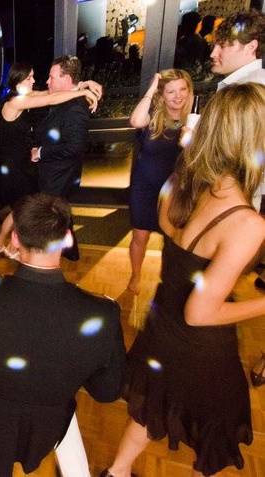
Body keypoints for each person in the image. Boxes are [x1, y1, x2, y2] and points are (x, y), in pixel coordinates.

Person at [101, 83, 265, 477]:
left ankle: (117, 472)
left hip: (161, 326)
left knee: (153, 407)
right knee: (215, 431)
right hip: (201, 348)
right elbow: (200, 312)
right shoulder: (247, 222)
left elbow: (163, 221)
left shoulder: (186, 181)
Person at [0, 193, 126, 477]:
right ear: (67, 238)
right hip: (51, 422)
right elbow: (107, 392)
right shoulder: (103, 313)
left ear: (16, 239)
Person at [209, 10, 265, 383]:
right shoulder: (233, 85)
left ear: (251, 48)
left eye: (224, 45)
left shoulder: (253, 90)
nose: (214, 53)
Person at [0, 62, 101, 257]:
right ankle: (7, 245)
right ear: (17, 81)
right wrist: (81, 93)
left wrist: (82, 85)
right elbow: (51, 100)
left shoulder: (24, 96)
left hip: (21, 164)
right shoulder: (14, 103)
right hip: (14, 168)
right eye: (29, 78)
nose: (34, 80)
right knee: (23, 209)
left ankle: (2, 244)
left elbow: (49, 94)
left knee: (20, 208)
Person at [127, 70, 194, 294]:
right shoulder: (153, 117)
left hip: (175, 190)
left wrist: (190, 140)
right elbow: (135, 120)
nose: (178, 96)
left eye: (182, 89)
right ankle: (135, 275)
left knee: (172, 240)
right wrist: (152, 85)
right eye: (171, 91)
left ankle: (168, 281)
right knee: (140, 236)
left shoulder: (193, 121)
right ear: (162, 94)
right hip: (144, 187)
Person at [31, 56, 93, 261]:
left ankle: (49, 260)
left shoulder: (75, 108)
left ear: (66, 79)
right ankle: (70, 252)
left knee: (52, 218)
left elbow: (75, 147)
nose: (47, 81)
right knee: (61, 215)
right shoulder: (66, 99)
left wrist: (41, 152)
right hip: (56, 173)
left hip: (60, 175)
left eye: (51, 77)